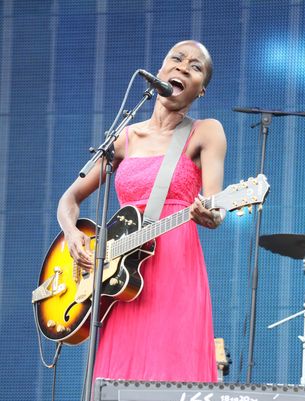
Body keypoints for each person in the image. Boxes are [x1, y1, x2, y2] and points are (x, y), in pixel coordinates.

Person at [57, 40, 227, 383]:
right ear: (160, 71)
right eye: (176, 59)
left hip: (176, 270)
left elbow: (216, 205)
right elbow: (69, 199)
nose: (182, 67)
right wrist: (73, 235)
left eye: (195, 67)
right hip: (123, 277)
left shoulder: (206, 131)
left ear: (201, 90)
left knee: (173, 376)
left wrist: (211, 214)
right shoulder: (124, 138)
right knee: (119, 386)